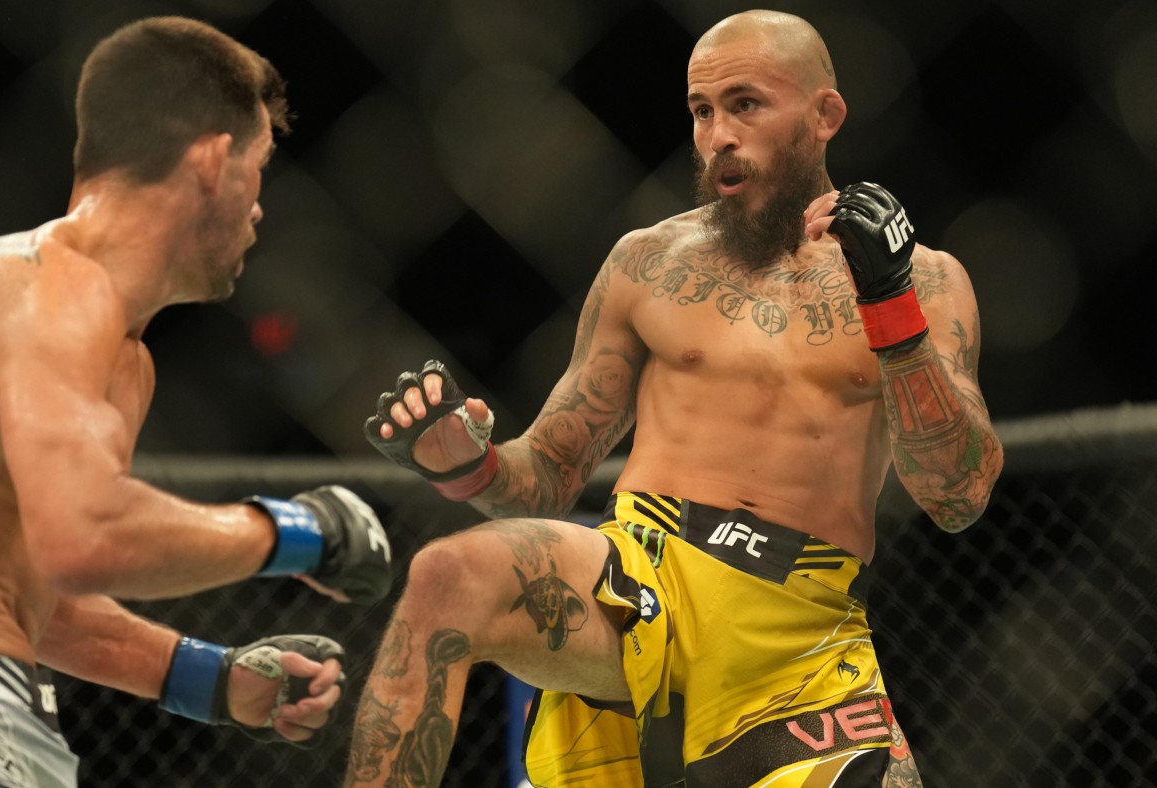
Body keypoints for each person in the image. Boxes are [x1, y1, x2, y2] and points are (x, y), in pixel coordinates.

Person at [346, 9, 1002, 788]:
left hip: (799, 629)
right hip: (640, 573)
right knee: (449, 574)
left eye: (745, 105)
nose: (718, 135)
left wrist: (889, 307)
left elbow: (958, 496)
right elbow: (547, 474)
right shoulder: (649, 263)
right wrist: (469, 467)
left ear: (825, 115)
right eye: (701, 111)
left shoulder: (929, 281)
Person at [0, 16, 393, 788]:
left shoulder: (122, 358)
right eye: (260, 168)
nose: (259, 209)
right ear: (213, 161)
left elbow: (40, 591)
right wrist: (300, 532)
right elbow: (84, 537)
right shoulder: (44, 288)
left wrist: (211, 680)